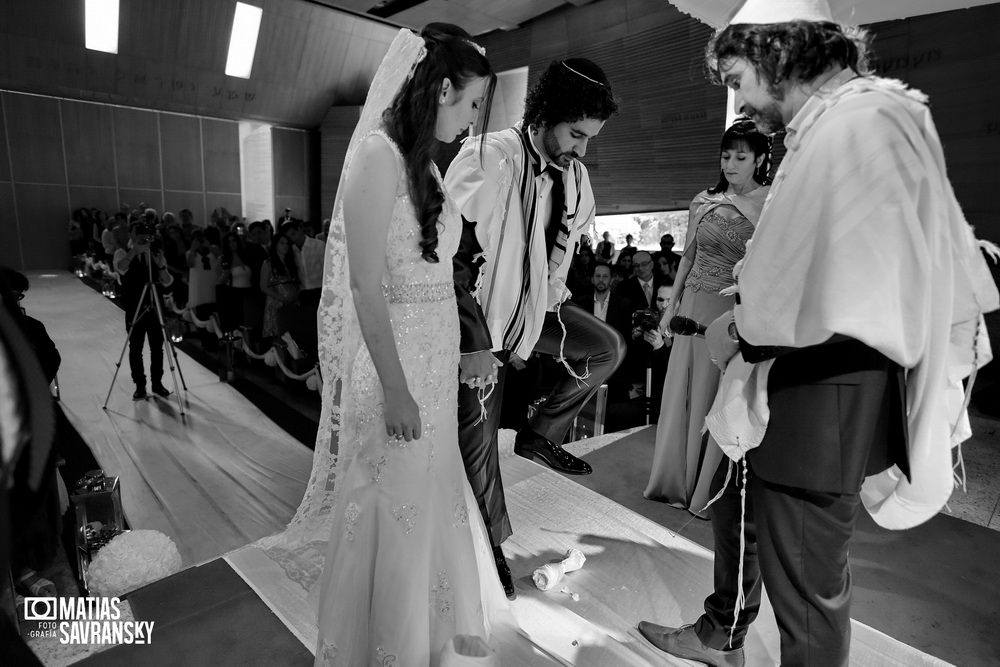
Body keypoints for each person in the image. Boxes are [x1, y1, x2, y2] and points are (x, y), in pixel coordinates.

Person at [638, 2, 999, 665]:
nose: (739, 95)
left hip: (820, 392)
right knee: (737, 504)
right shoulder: (838, 122)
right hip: (796, 377)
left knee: (806, 592)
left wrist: (742, 325)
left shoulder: (858, 124)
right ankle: (723, 630)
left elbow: (848, 282)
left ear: (780, 53)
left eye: (740, 75)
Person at [257, 25, 506, 665]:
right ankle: (383, 642)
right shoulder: (376, 155)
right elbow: (364, 285)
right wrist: (395, 389)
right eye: (472, 102)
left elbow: (435, 270)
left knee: (424, 495)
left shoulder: (423, 162)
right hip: (393, 363)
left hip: (432, 356)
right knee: (391, 499)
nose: (474, 117)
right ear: (443, 87)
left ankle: (421, 630)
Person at [445, 57, 625, 598]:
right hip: (483, 325)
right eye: (576, 134)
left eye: (591, 138)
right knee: (476, 448)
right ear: (546, 114)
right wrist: (473, 343)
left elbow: (558, 252)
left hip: (538, 312)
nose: (582, 149)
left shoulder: (576, 175)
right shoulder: (489, 158)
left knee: (605, 349)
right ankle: (488, 549)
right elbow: (450, 259)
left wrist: (552, 295)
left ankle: (538, 433)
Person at [644, 118, 770, 518]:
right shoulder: (703, 200)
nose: (730, 163)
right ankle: (671, 483)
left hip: (729, 314)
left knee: (717, 395)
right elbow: (687, 259)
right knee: (680, 392)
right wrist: (668, 314)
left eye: (741, 156)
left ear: (760, 159)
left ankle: (704, 491)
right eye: (726, 155)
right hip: (692, 307)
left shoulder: (769, 204)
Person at [114, 214, 174, 400]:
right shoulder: (123, 252)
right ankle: (140, 385)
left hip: (155, 307)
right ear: (131, 235)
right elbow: (121, 269)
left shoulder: (155, 254)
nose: (142, 236)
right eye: (138, 232)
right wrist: (135, 252)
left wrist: (160, 263)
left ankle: (157, 383)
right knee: (135, 349)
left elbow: (166, 282)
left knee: (157, 348)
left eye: (145, 233)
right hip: (135, 307)